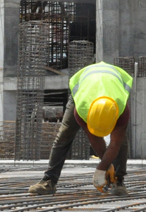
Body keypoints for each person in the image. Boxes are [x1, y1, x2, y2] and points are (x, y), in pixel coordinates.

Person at [29, 62, 132, 196]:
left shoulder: (121, 109)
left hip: (114, 88)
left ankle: (118, 181)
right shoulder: (82, 110)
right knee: (64, 135)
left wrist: (103, 167)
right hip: (84, 89)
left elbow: (115, 143)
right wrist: (104, 167)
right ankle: (48, 181)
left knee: (121, 140)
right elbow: (94, 138)